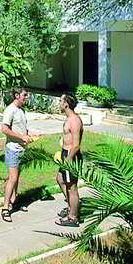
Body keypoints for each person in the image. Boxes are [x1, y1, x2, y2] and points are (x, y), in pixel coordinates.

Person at [0, 88, 39, 222]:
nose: (27, 97)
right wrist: (22, 137)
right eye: (25, 95)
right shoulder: (10, 110)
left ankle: (13, 201)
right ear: (17, 96)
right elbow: (4, 129)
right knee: (12, 178)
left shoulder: (21, 110)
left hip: (21, 149)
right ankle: (5, 208)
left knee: (17, 177)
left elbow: (22, 128)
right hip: (13, 149)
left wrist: (30, 134)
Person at [56, 93, 83, 227]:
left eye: (61, 101)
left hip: (72, 156)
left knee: (72, 187)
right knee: (60, 179)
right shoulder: (68, 119)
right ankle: (73, 205)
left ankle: (73, 217)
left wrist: (68, 158)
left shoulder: (74, 120)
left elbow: (76, 144)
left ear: (66, 104)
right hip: (66, 153)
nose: (59, 103)